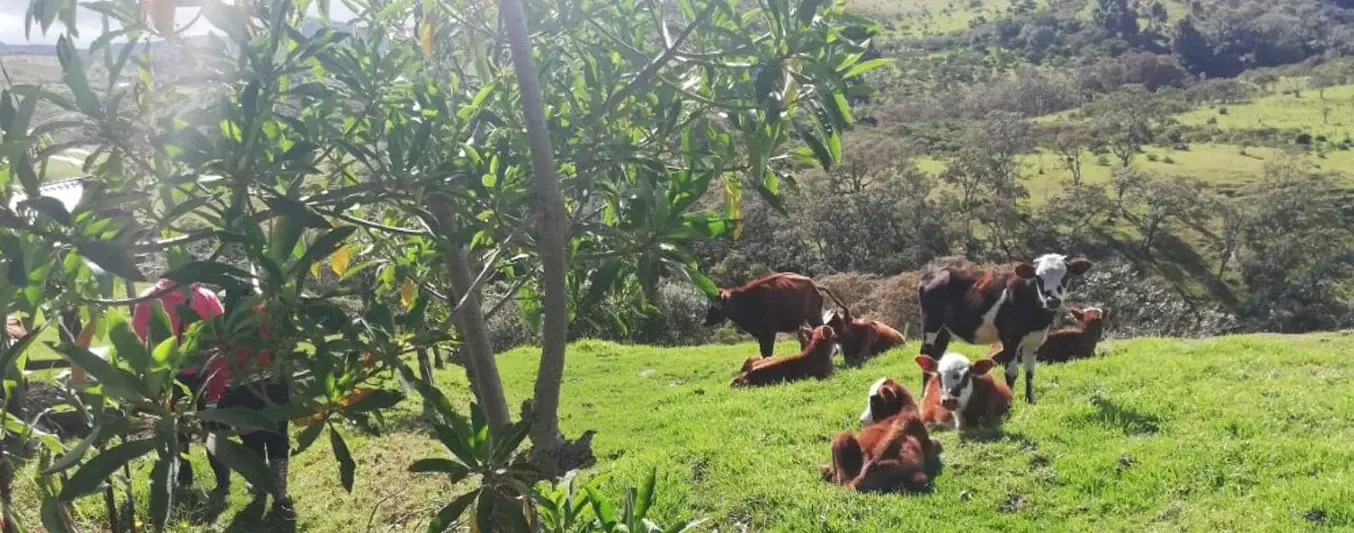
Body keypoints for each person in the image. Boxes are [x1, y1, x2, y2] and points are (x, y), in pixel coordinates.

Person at [132, 278, 295, 520]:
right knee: (273, 435)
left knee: (249, 434)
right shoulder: (264, 312)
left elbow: (137, 339)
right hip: (269, 382)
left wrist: (219, 391)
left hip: (212, 381)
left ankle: (256, 484)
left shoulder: (224, 322)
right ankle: (277, 493)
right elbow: (285, 346)